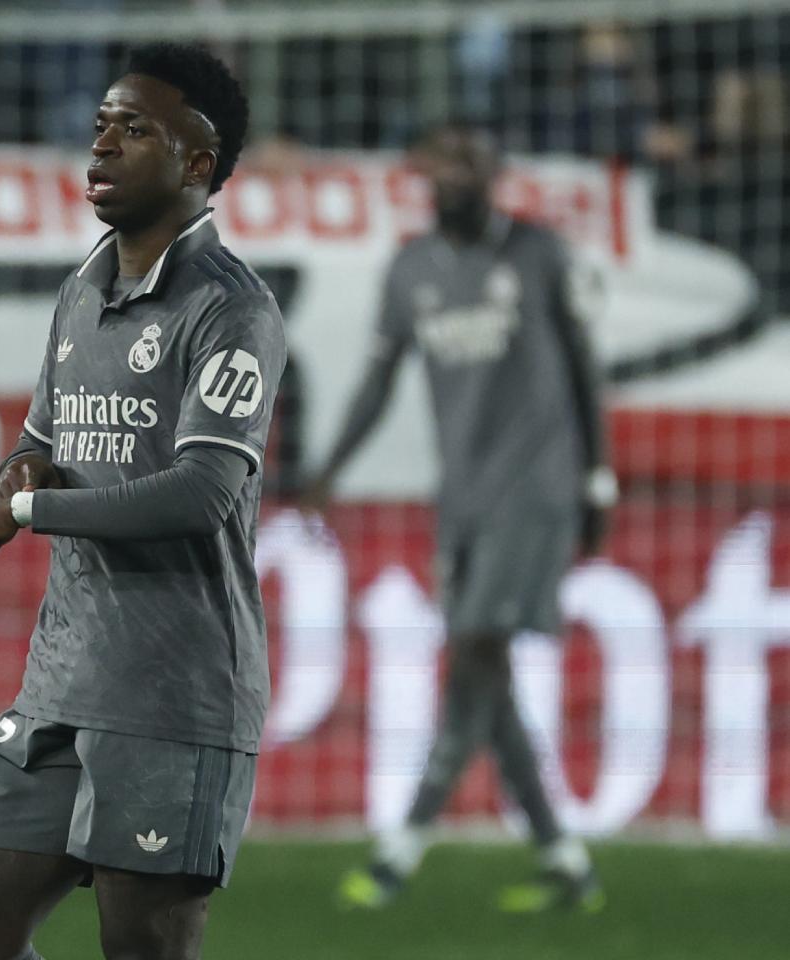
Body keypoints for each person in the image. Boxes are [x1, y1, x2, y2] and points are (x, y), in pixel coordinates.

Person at [0, 42, 282, 960]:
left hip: (176, 696)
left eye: (135, 130)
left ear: (198, 163)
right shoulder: (81, 292)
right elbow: (42, 442)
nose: (102, 147)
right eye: (99, 127)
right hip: (58, 684)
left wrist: (21, 516)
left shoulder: (231, 309)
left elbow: (204, 492)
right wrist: (22, 473)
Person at [302, 124, 613, 913]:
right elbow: (378, 379)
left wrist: (598, 481)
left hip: (536, 491)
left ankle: (399, 853)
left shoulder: (538, 254)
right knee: (487, 678)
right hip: (463, 501)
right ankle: (567, 864)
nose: (452, 183)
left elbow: (583, 366)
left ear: (493, 178)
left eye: (467, 169)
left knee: (474, 656)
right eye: (441, 171)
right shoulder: (410, 269)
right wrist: (332, 465)